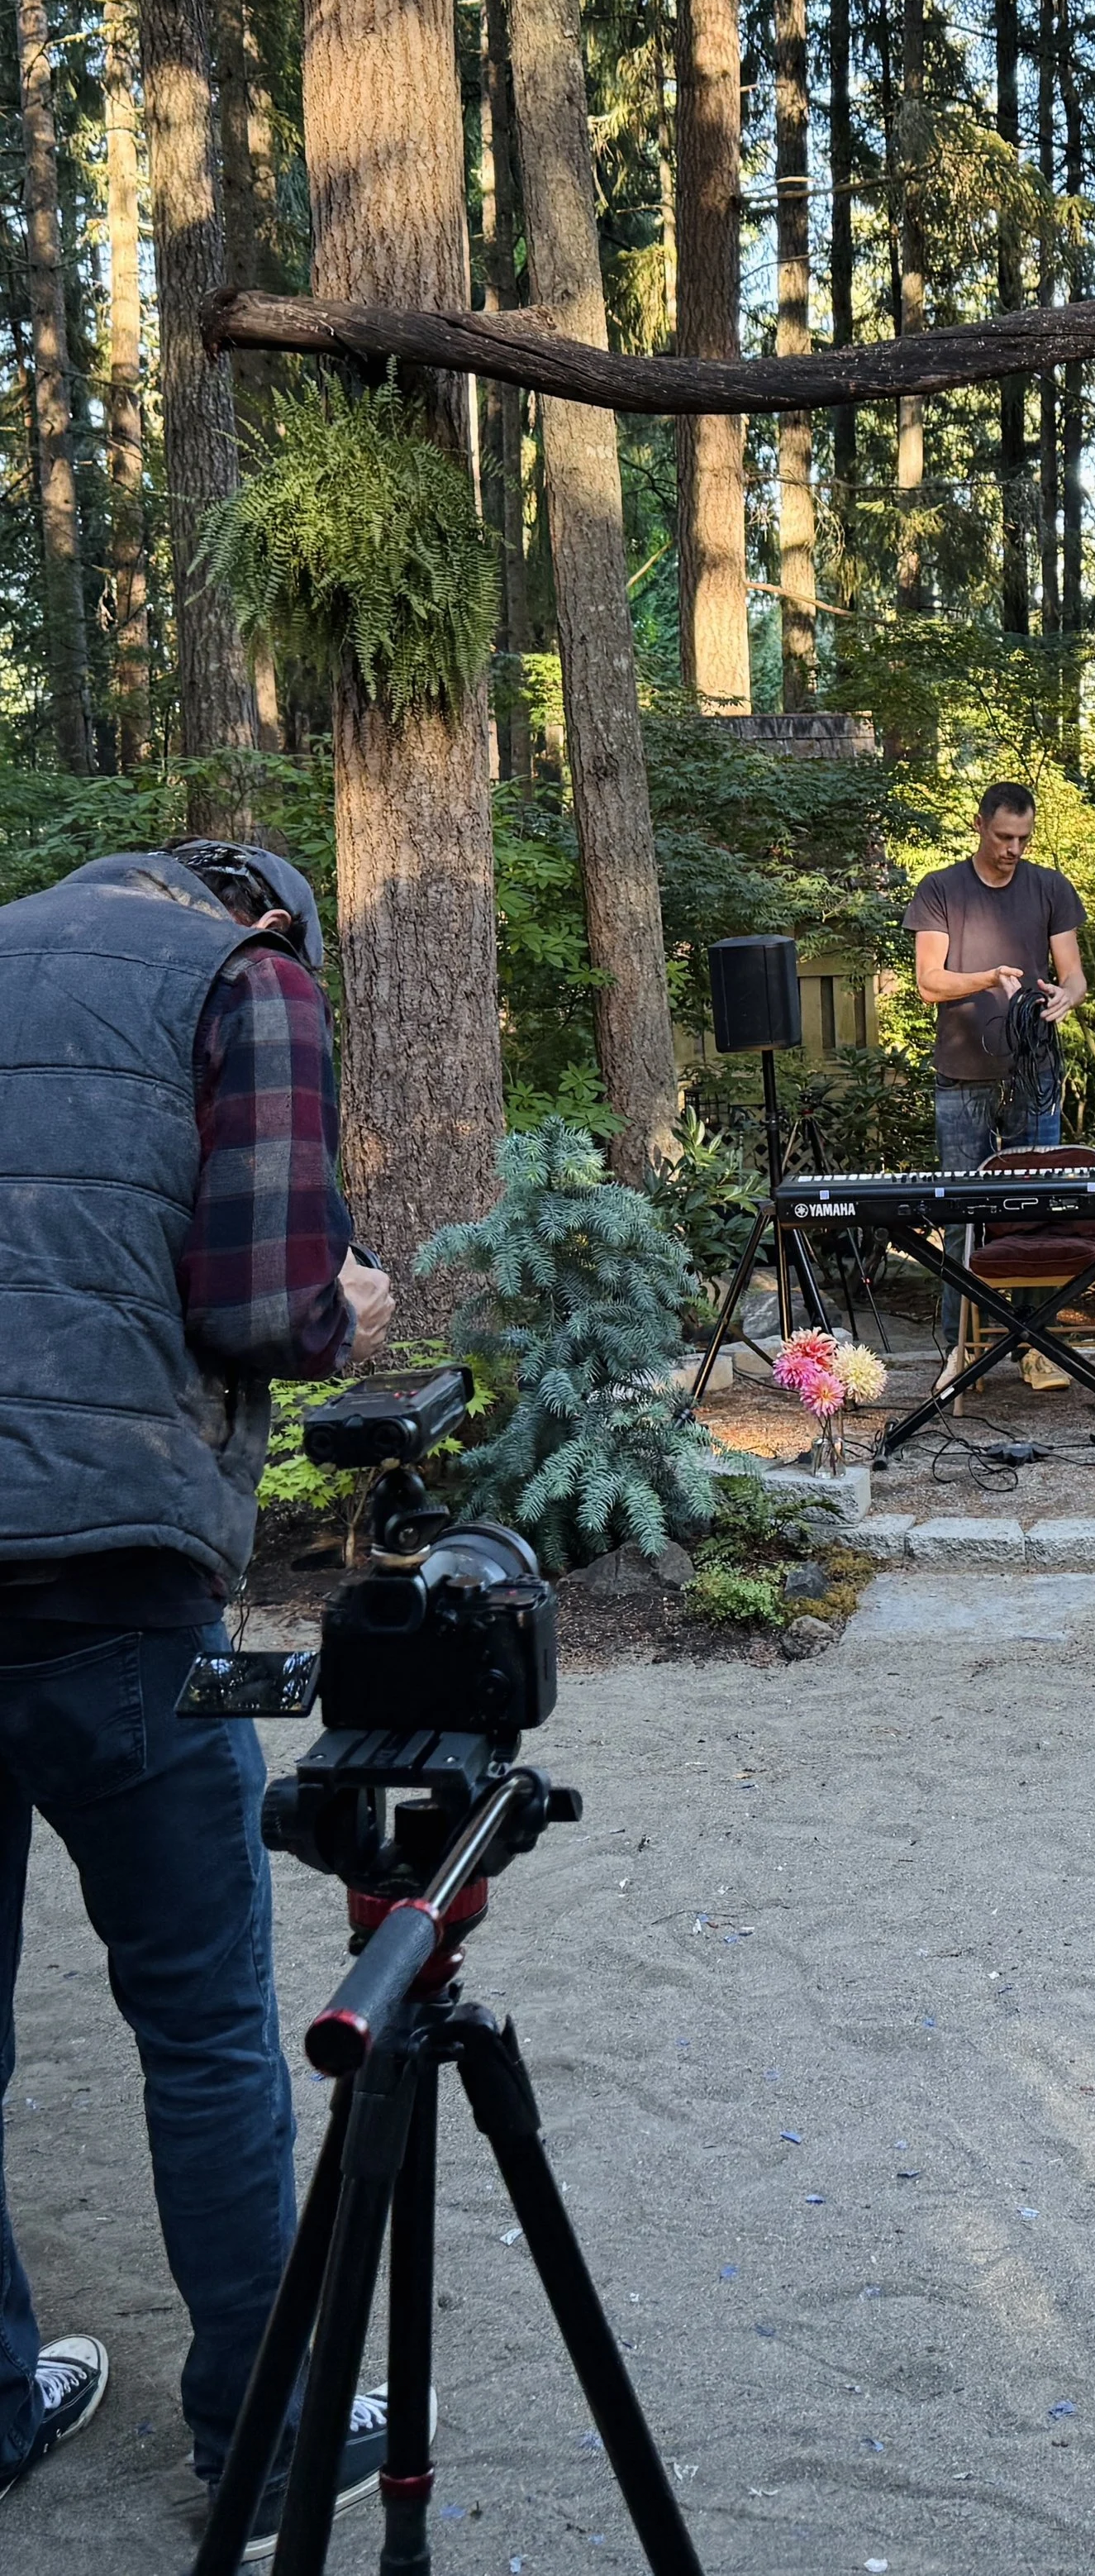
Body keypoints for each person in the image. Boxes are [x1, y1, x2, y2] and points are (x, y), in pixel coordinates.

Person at [0, 842, 398, 2556]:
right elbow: (262, 1301)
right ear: (267, 912)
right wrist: (352, 1304)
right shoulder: (250, 979)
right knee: (207, 2015)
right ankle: (262, 2423)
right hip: (114, 1572)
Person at [904, 783, 1089, 1387]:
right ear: (979, 825)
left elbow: (1075, 975)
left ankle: (1035, 1345)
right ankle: (962, 1349)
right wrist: (988, 977)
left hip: (1035, 1073)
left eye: (1024, 839)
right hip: (962, 1074)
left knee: (1039, 1212)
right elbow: (929, 983)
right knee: (963, 1214)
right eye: (1004, 836)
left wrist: (1066, 995)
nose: (1013, 848)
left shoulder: (1050, 888)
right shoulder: (940, 889)